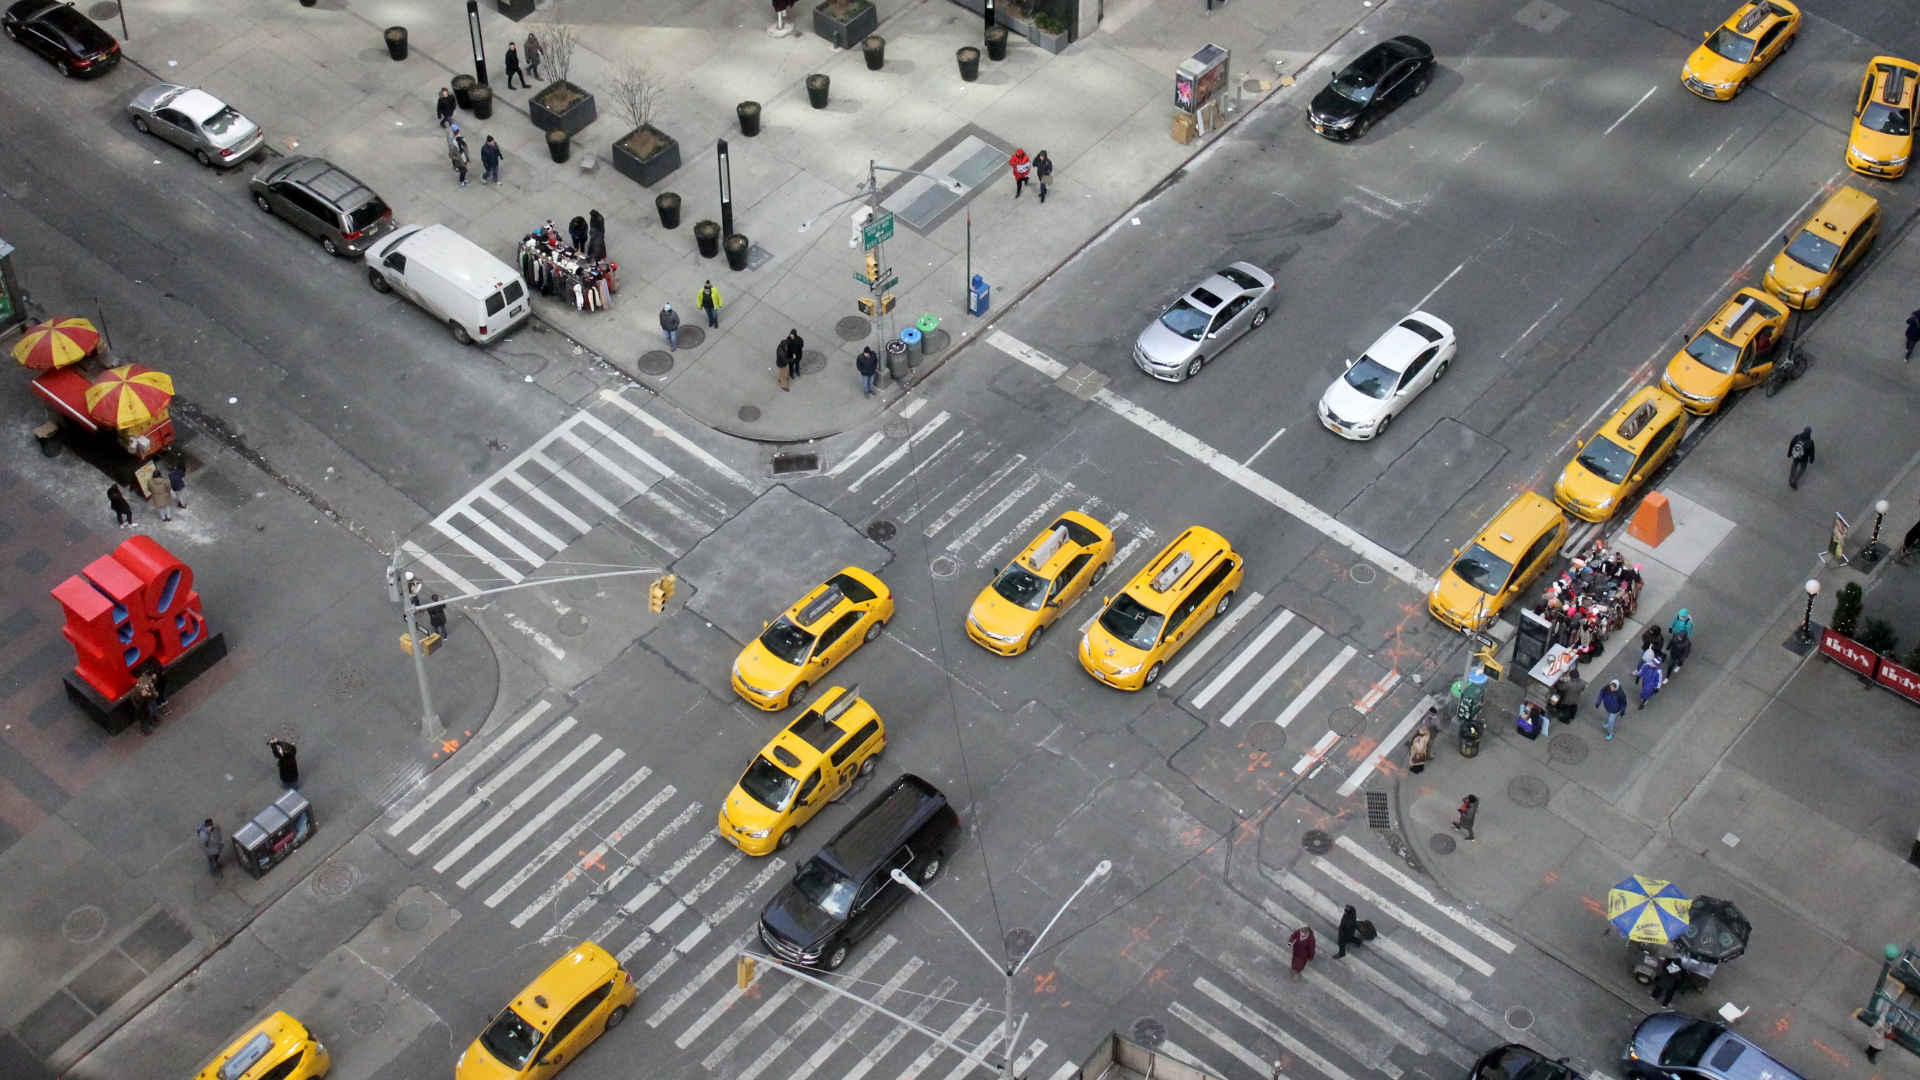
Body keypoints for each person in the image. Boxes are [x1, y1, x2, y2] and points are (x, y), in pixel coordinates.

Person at [133, 668, 161, 734]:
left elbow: (151, 686)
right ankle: (149, 725)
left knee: (153, 709)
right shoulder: (138, 687)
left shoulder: (147, 679)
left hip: (149, 698)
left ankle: (153, 719)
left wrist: (153, 692)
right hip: (143, 703)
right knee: (148, 712)